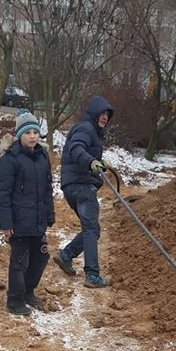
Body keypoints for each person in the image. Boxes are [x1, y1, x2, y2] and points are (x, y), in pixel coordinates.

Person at [0, 110, 55, 316]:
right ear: (19, 135)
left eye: (35, 132)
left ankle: (28, 291)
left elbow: (47, 189)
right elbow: (1, 193)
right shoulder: (11, 159)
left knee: (41, 258)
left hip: (37, 221)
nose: (32, 136)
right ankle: (15, 300)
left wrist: (49, 214)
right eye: (27, 132)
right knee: (19, 262)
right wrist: (6, 224)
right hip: (19, 222)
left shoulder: (42, 157)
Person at [54, 94, 113, 288]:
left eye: (107, 115)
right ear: (93, 112)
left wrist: (97, 162)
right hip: (81, 186)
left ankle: (66, 255)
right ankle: (92, 275)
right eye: (102, 113)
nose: (104, 117)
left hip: (73, 185)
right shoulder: (86, 128)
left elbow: (82, 152)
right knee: (91, 229)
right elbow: (76, 149)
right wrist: (91, 161)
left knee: (93, 229)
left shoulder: (90, 131)